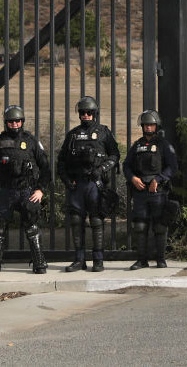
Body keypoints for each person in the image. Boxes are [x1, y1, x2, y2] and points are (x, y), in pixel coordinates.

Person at [0, 105, 50, 275]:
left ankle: (39, 263)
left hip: (27, 191)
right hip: (5, 191)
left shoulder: (31, 141)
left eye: (17, 121)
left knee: (31, 227)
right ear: (6, 123)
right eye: (11, 122)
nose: (14, 124)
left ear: (22, 121)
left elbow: (45, 167)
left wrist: (40, 190)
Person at [57, 96, 120, 272]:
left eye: (89, 112)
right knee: (76, 220)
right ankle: (79, 260)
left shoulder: (103, 132)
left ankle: (98, 260)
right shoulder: (73, 135)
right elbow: (61, 161)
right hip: (77, 185)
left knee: (96, 220)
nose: (85, 115)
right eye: (83, 112)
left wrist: (103, 168)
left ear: (95, 114)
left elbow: (115, 155)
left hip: (95, 184)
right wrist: (67, 180)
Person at [123, 109, 178, 269]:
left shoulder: (164, 145)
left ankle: (160, 259)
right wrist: (132, 178)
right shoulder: (138, 145)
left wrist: (158, 179)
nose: (148, 127)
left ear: (156, 126)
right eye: (145, 125)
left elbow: (172, 166)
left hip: (158, 192)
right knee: (140, 226)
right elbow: (126, 165)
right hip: (140, 192)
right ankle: (142, 260)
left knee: (160, 226)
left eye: (151, 125)